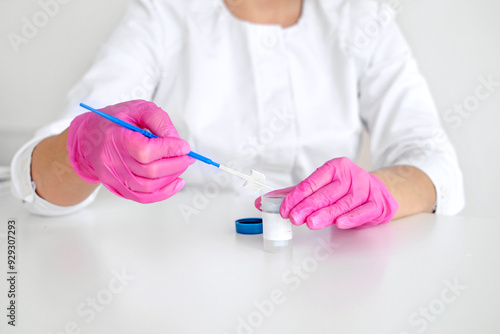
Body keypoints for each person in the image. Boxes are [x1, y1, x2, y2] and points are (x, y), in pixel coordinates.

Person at [11, 0, 464, 229]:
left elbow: (435, 162)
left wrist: (379, 191)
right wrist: (83, 150)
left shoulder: (361, 17)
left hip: (326, 279)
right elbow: (37, 182)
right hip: (179, 277)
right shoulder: (166, 16)